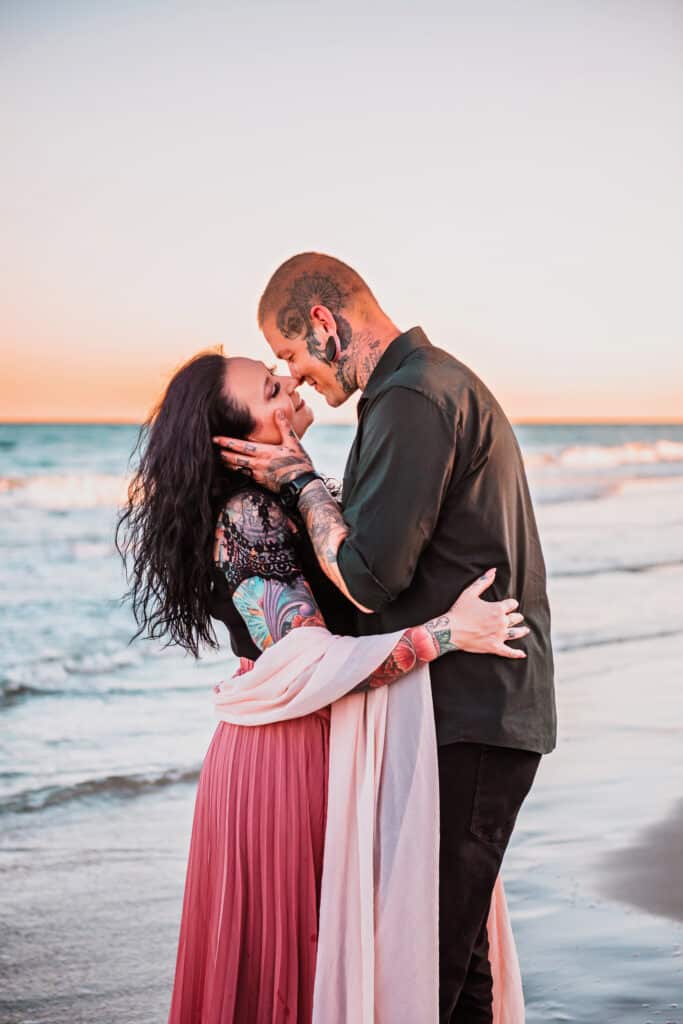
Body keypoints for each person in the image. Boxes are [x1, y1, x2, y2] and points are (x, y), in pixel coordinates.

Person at [117, 350, 531, 1024]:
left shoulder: (283, 497)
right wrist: (448, 633)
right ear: (231, 436)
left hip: (314, 743)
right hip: (283, 758)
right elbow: (309, 665)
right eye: (270, 389)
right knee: (298, 965)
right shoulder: (247, 513)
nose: (292, 386)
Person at [214, 252, 557, 1023]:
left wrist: (300, 482)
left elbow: (369, 575)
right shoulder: (426, 386)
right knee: (456, 960)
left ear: (325, 324)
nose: (298, 376)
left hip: (469, 712)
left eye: (293, 354)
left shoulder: (411, 396)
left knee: (426, 967)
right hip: (472, 710)